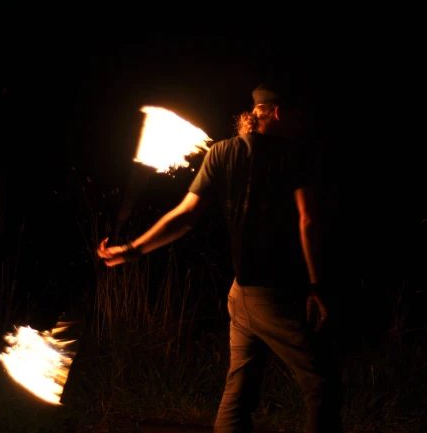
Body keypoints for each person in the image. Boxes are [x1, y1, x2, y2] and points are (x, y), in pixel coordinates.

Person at [98, 81, 342, 433]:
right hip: (275, 295)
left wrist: (133, 250)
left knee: (239, 390)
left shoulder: (222, 152)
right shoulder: (295, 155)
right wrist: (317, 287)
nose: (302, 123)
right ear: (278, 113)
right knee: (323, 386)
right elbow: (308, 220)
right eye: (297, 115)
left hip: (240, 295)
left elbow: (184, 216)